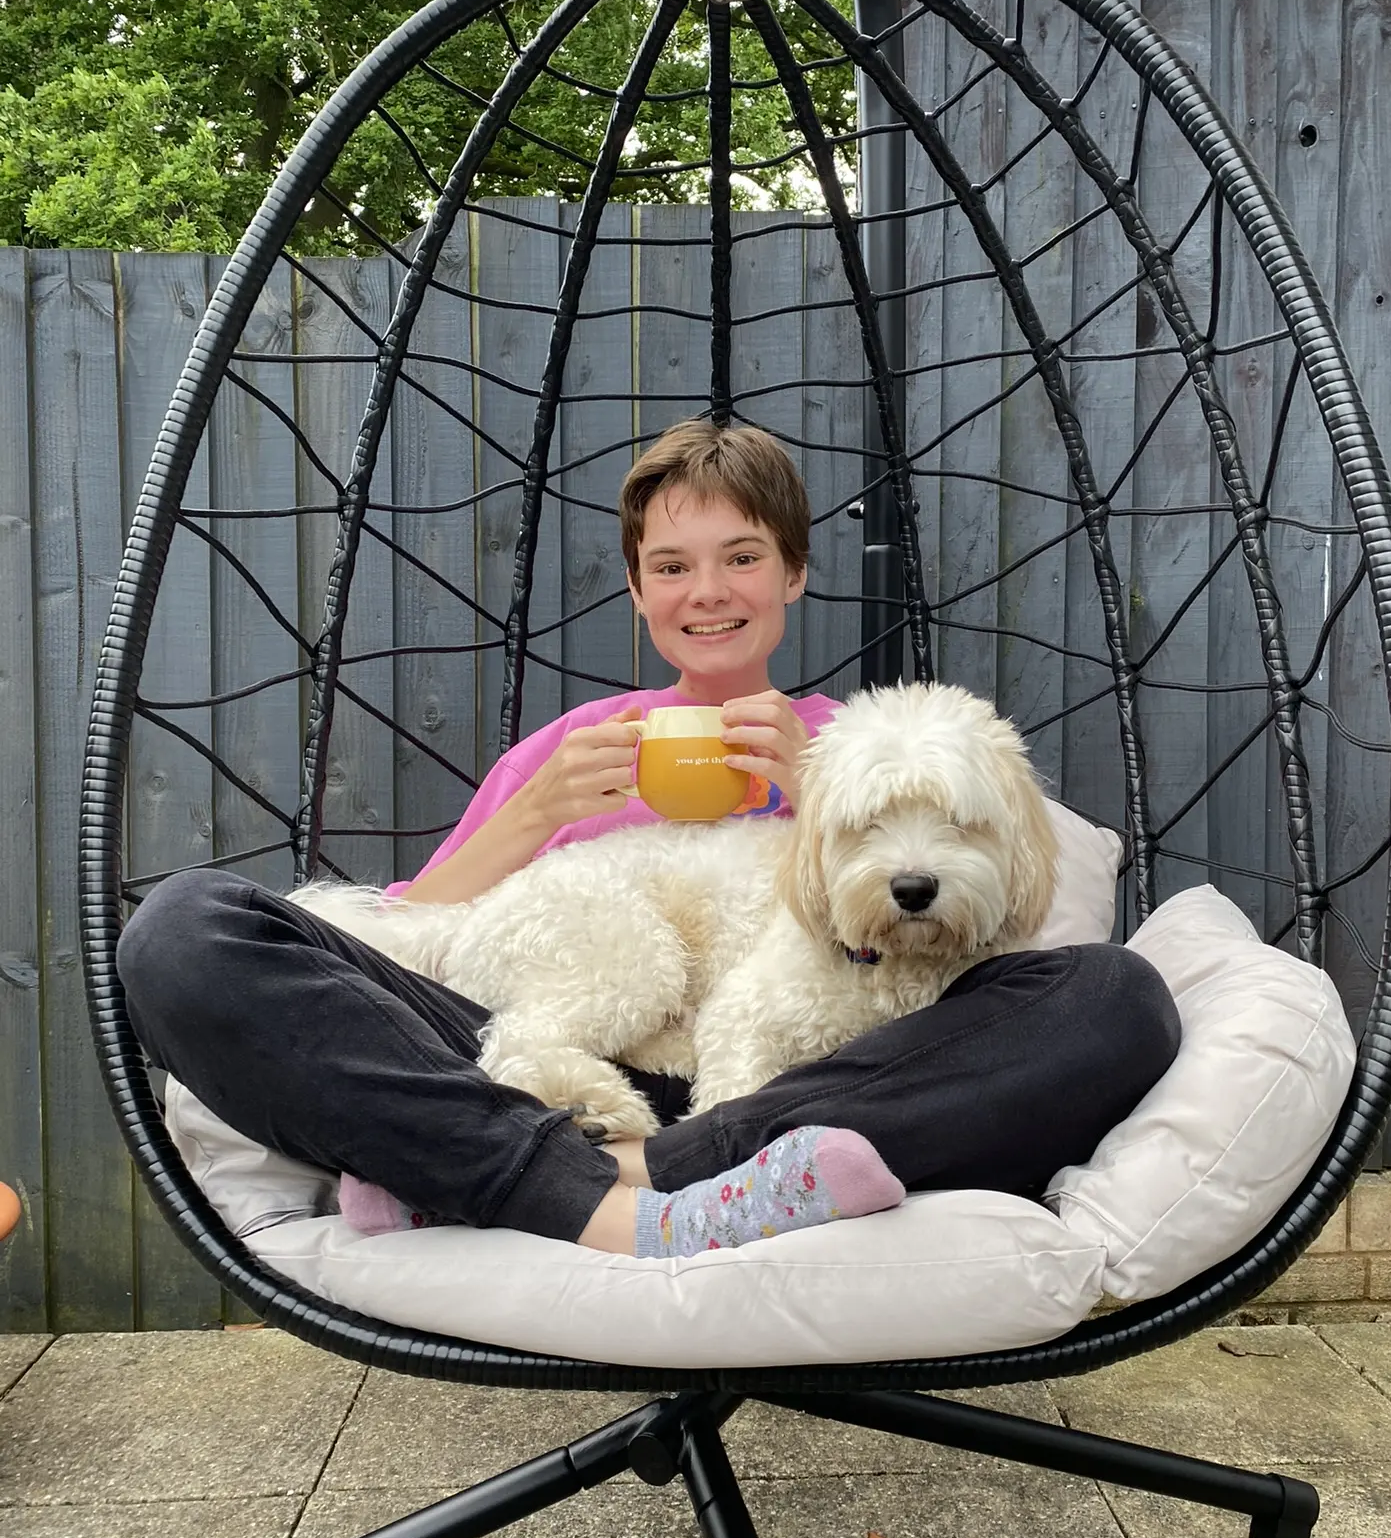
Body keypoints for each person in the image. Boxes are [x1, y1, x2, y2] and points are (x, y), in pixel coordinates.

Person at [117, 418, 1182, 1263]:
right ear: (636, 590)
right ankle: (628, 1188)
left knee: (1117, 997)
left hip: (814, 1081)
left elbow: (1001, 923)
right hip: (530, 1055)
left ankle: (585, 1172)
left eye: (741, 557)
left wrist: (817, 798)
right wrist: (534, 814)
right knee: (181, 930)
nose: (707, 591)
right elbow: (412, 935)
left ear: (794, 571)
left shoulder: (875, 746)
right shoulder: (574, 747)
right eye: (671, 566)